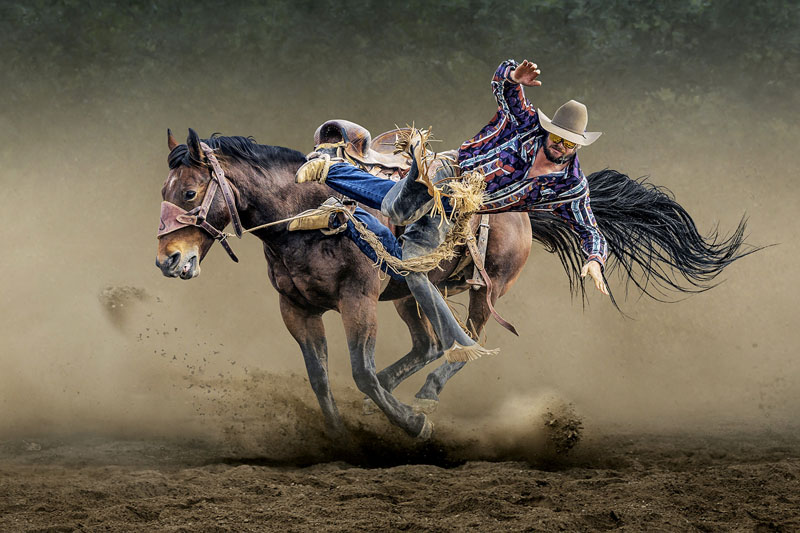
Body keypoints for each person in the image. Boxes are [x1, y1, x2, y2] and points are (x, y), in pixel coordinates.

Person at [295, 58, 609, 361]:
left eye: (569, 144)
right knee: (399, 210)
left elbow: (589, 228)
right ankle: (341, 171)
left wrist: (595, 260)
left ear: (577, 147)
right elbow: (504, 89)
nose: (560, 146)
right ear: (548, 131)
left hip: (458, 209)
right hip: (450, 171)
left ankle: (345, 210)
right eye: (557, 137)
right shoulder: (526, 125)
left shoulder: (570, 185)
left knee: (409, 268)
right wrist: (513, 77)